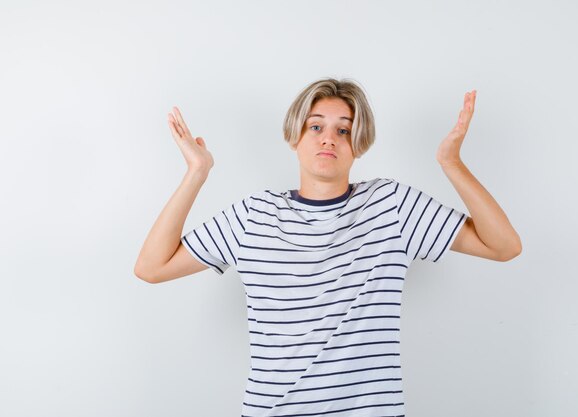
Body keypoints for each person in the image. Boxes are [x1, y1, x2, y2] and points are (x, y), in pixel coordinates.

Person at [134, 78, 521, 416]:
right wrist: (197, 172)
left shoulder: (392, 206)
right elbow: (151, 268)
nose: (327, 138)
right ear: (295, 137)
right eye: (315, 126)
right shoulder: (254, 215)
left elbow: (503, 246)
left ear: (359, 143)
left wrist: (451, 163)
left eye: (343, 130)